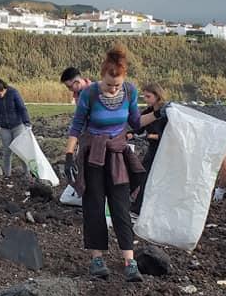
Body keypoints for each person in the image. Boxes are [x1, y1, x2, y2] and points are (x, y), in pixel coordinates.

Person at [63, 45, 162, 282]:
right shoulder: (90, 94)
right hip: (93, 155)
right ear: (102, 76)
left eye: (117, 84)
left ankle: (130, 261)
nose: (113, 88)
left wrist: (158, 114)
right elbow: (77, 126)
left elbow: (136, 122)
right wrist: (68, 154)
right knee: (94, 205)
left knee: (120, 206)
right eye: (109, 84)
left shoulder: (129, 91)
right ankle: (97, 259)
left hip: (117, 154)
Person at [130, 82, 168, 216]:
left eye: (148, 96)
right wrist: (130, 133)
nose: (145, 100)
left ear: (157, 96)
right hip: (152, 149)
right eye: (144, 97)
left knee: (146, 178)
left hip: (164, 151)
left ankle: (138, 207)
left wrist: (151, 136)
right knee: (141, 174)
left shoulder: (167, 113)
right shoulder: (149, 111)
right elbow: (138, 126)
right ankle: (132, 203)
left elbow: (170, 135)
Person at [0, 79, 31, 177]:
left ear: (4, 89)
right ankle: (7, 175)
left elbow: (22, 108)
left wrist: (27, 122)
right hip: (5, 128)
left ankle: (27, 173)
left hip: (18, 126)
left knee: (20, 151)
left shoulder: (14, 93)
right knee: (7, 152)